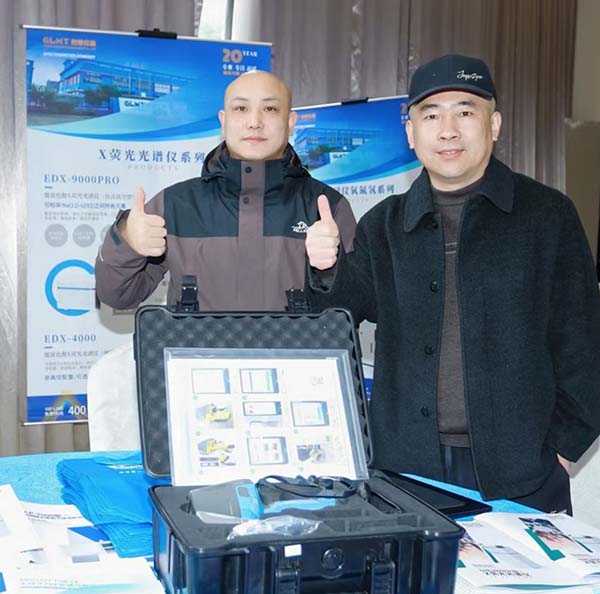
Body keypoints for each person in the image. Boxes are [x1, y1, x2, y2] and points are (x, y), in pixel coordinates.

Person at [305, 54, 600, 513]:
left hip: (524, 473)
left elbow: (584, 343)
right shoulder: (384, 224)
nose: (448, 130)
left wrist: (563, 449)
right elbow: (334, 321)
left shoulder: (548, 216)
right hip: (406, 471)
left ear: (494, 124)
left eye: (465, 112)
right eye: (430, 115)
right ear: (410, 133)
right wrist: (325, 268)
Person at [95, 70, 356, 311]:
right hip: (194, 350)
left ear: (290, 122)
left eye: (270, 108)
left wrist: (329, 272)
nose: (254, 122)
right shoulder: (175, 204)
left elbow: (355, 310)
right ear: (224, 120)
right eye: (241, 108)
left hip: (297, 350)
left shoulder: (328, 208)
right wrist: (127, 242)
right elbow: (118, 296)